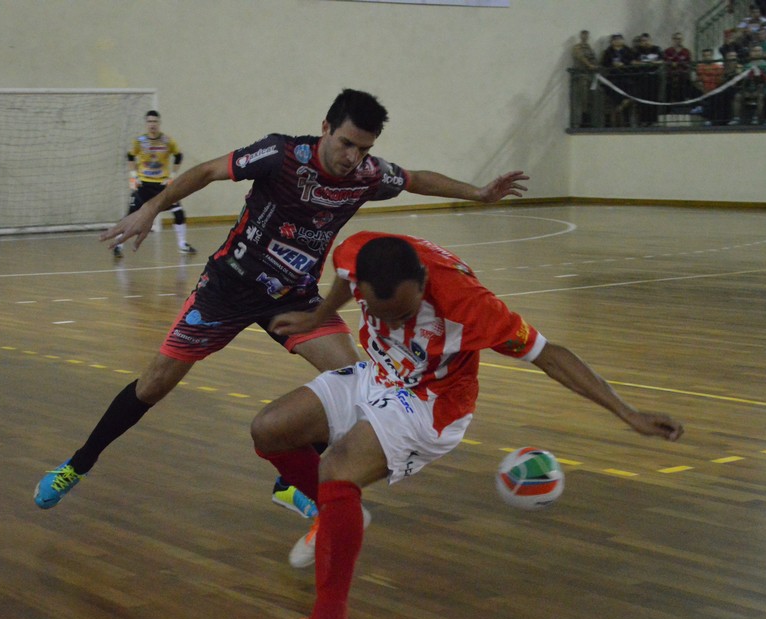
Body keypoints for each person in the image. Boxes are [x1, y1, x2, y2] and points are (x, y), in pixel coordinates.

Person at [33, 89, 530, 510]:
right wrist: (151, 208)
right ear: (325, 128)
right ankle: (77, 465)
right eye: (345, 143)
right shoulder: (281, 156)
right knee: (152, 385)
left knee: (356, 385)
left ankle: (288, 481)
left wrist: (480, 194)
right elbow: (206, 171)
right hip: (226, 290)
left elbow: (417, 179)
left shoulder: (366, 175)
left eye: (363, 148)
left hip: (293, 300)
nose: (352, 156)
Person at [248, 232, 685, 619]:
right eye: (382, 315)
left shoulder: (469, 304)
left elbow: (549, 355)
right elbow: (343, 276)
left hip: (430, 404)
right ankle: (339, 516)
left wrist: (628, 414)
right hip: (377, 374)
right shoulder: (358, 252)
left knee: (337, 469)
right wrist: (318, 317)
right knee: (269, 430)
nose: (394, 323)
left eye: (402, 314)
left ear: (422, 283)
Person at [115, 110, 196, 258]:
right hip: (143, 185)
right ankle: (118, 245)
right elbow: (130, 157)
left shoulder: (167, 141)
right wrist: (134, 176)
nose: (152, 124)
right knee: (130, 215)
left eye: (155, 121)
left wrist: (172, 176)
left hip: (163, 186)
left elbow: (178, 156)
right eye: (149, 122)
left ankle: (182, 244)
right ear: (146, 124)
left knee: (179, 213)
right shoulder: (139, 141)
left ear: (159, 123)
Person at [601, 33, 637, 126]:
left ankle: (626, 119)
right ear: (612, 42)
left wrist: (623, 64)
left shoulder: (628, 50)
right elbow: (604, 64)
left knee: (629, 97)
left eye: (619, 39)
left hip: (626, 76)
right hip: (614, 78)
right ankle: (616, 120)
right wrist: (612, 65)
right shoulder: (608, 52)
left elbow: (632, 62)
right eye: (615, 39)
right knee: (614, 97)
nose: (617, 41)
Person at [570, 29, 601, 128]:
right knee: (581, 99)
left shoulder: (589, 48)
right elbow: (580, 57)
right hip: (580, 76)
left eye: (587, 35)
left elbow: (594, 58)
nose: (585, 37)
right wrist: (589, 65)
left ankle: (591, 121)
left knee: (591, 99)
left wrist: (596, 66)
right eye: (584, 35)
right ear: (581, 36)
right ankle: (578, 122)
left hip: (590, 76)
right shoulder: (577, 47)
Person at [664, 32, 693, 107]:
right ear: (673, 40)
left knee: (682, 96)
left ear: (682, 40)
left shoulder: (686, 52)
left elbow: (689, 64)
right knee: (668, 97)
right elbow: (665, 63)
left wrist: (680, 64)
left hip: (682, 78)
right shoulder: (668, 51)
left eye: (679, 39)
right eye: (676, 39)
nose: (678, 40)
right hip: (670, 78)